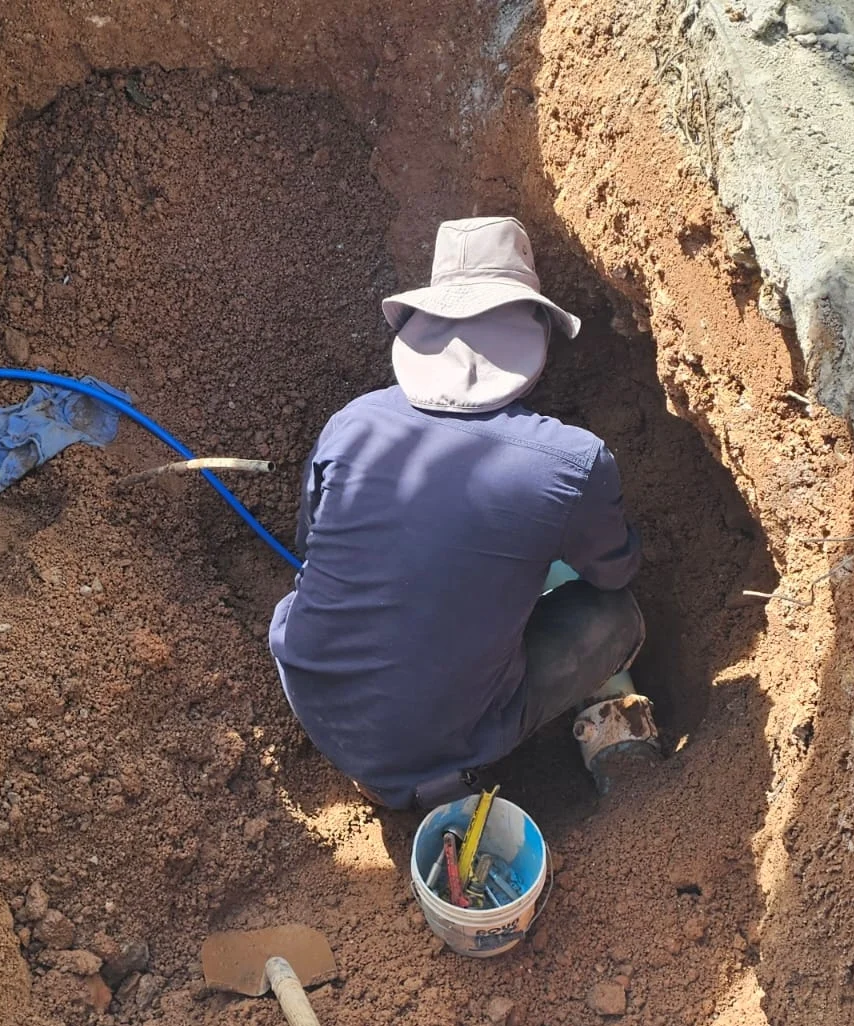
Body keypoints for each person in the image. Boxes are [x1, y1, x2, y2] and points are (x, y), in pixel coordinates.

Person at [269, 217, 657, 810]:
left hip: (315, 694)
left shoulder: (353, 422)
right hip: (427, 744)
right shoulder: (573, 461)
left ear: (426, 327)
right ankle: (443, 767)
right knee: (615, 618)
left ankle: (389, 756)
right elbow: (613, 574)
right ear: (536, 333)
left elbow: (310, 544)